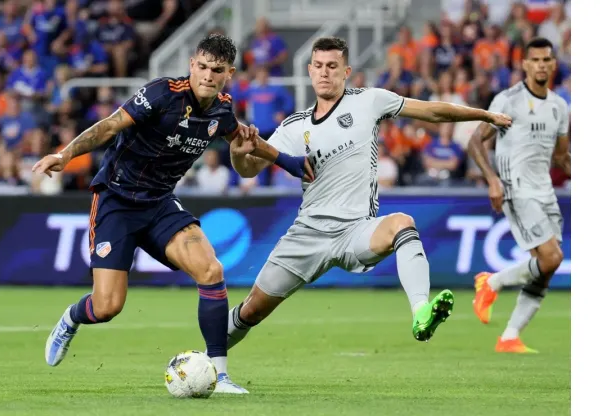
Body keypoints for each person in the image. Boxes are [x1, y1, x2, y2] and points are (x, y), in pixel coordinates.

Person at [32, 34, 312, 394]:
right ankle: (72, 317)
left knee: (211, 269)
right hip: (116, 201)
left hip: (160, 203)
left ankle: (219, 374)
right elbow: (110, 125)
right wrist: (66, 154)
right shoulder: (163, 94)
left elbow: (245, 141)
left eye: (217, 70)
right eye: (203, 67)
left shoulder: (222, 109)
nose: (208, 76)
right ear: (192, 65)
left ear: (229, 73)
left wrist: (290, 163)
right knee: (107, 307)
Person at [223, 36, 511, 354]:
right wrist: (237, 154)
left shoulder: (369, 101)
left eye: (332, 66)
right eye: (318, 66)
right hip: (308, 235)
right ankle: (209, 359)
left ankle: (421, 313)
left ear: (346, 71)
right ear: (309, 70)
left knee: (403, 223)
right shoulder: (295, 127)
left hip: (356, 230)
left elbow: (432, 112)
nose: (324, 72)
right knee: (251, 310)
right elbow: (248, 168)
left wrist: (482, 115)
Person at [468, 37, 570, 353]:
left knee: (549, 264)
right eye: (535, 60)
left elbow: (562, 157)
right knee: (551, 257)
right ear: (524, 64)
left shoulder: (559, 106)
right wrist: (492, 181)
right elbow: (475, 141)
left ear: (554, 64)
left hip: (545, 191)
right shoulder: (507, 101)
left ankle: (509, 335)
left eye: (546, 60)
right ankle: (493, 284)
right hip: (516, 188)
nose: (541, 65)